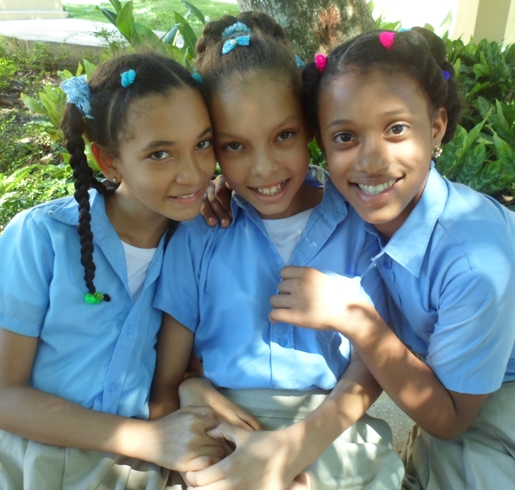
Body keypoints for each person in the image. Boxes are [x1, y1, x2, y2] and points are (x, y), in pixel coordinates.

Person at [152, 12, 404, 490]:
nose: (264, 168)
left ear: (309, 127)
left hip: (333, 434)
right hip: (223, 432)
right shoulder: (201, 233)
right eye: (236, 146)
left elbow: (373, 363)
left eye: (283, 136)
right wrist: (192, 392)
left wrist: (297, 449)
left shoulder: (361, 224)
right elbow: (168, 382)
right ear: (213, 149)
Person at [267, 28, 515, 489]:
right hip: (454, 371)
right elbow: (284, 185)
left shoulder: (474, 265)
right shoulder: (350, 198)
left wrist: (356, 319)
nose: (372, 160)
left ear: (436, 127)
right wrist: (226, 190)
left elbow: (452, 418)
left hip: (497, 389)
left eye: (396, 129)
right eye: (345, 137)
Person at [0, 52, 227, 489]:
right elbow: (4, 395)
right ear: (108, 161)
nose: (193, 172)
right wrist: (146, 438)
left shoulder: (202, 242)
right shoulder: (42, 238)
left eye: (202, 144)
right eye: (160, 153)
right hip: (28, 470)